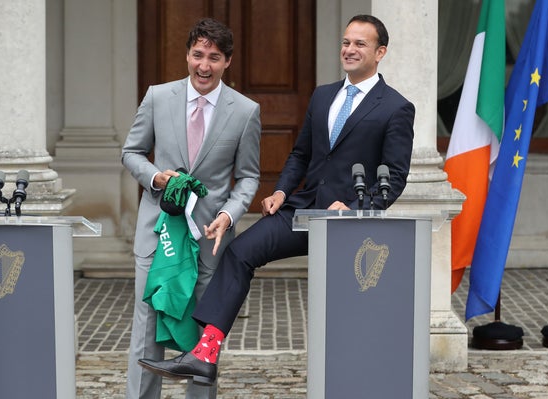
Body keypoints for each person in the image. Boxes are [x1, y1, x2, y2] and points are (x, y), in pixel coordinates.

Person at [138, 14, 415, 386]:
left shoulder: (396, 107)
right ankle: (205, 353)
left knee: (346, 304)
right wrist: (282, 191)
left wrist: (356, 209)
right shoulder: (323, 95)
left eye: (359, 44)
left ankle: (360, 378)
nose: (349, 49)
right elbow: (301, 154)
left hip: (351, 222)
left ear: (380, 52)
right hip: (302, 209)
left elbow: (394, 177)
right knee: (238, 253)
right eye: (346, 42)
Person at [121, 18, 261, 399]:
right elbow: (131, 152)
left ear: (227, 61)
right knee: (147, 329)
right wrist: (156, 178)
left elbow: (248, 176)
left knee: (203, 339)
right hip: (159, 233)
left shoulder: (246, 111)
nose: (204, 65)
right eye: (198, 55)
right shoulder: (157, 97)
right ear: (187, 55)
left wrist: (229, 214)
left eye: (214, 57)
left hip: (209, 239)